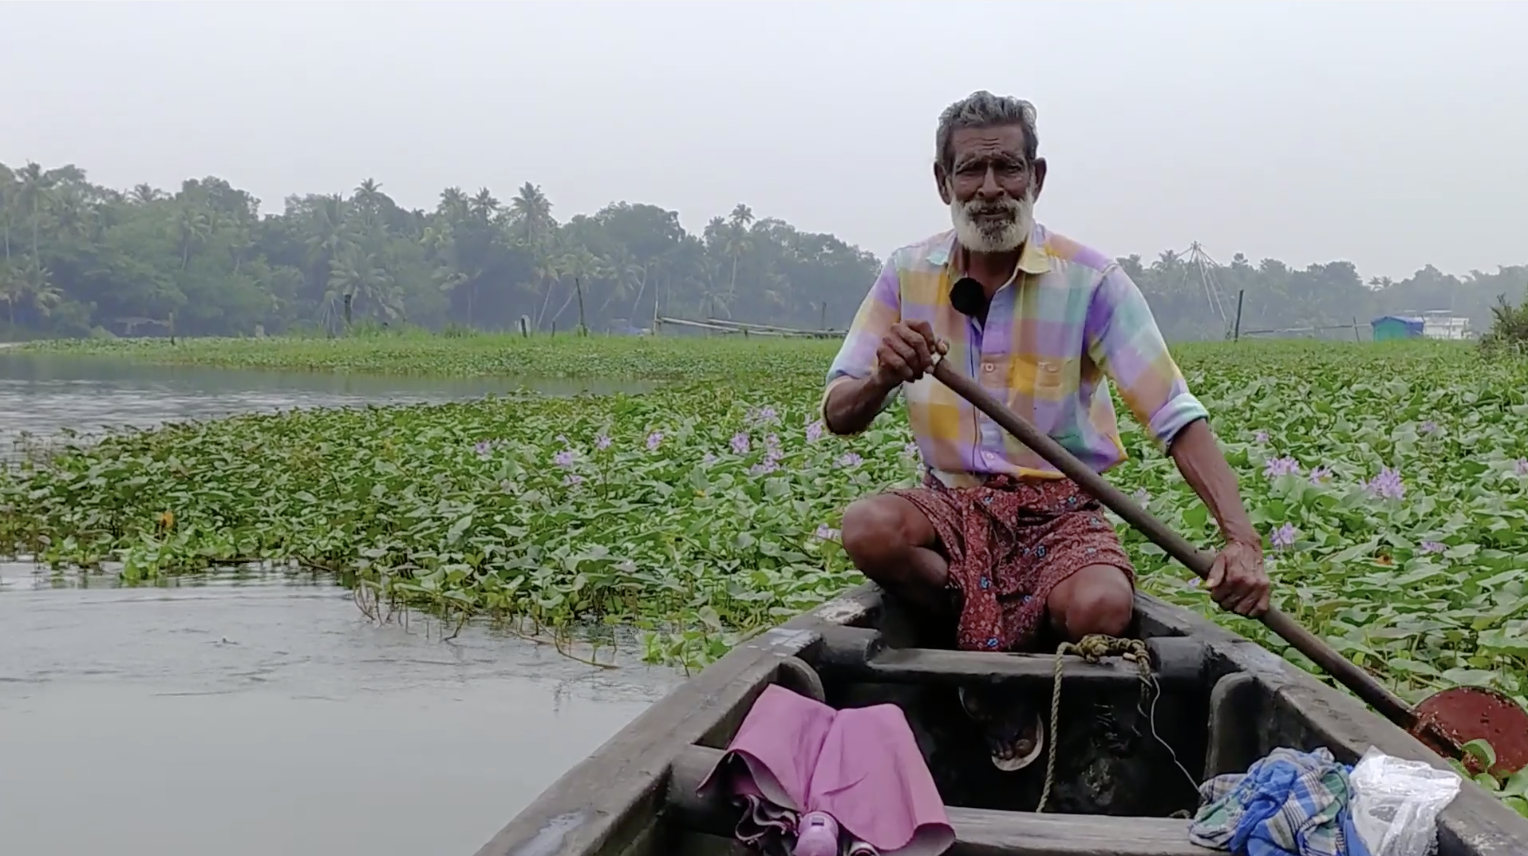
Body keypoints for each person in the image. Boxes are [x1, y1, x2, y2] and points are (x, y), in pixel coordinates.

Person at [820, 91, 1270, 770]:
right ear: (943, 182)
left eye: (1009, 168)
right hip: (952, 504)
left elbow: (1175, 414)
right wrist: (883, 376)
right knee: (868, 529)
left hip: (1058, 508)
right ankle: (995, 677)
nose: (991, 190)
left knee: (1098, 610)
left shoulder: (1091, 280)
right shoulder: (907, 274)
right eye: (971, 171)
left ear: (1038, 177)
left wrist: (1240, 541)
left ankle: (990, 662)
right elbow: (838, 411)